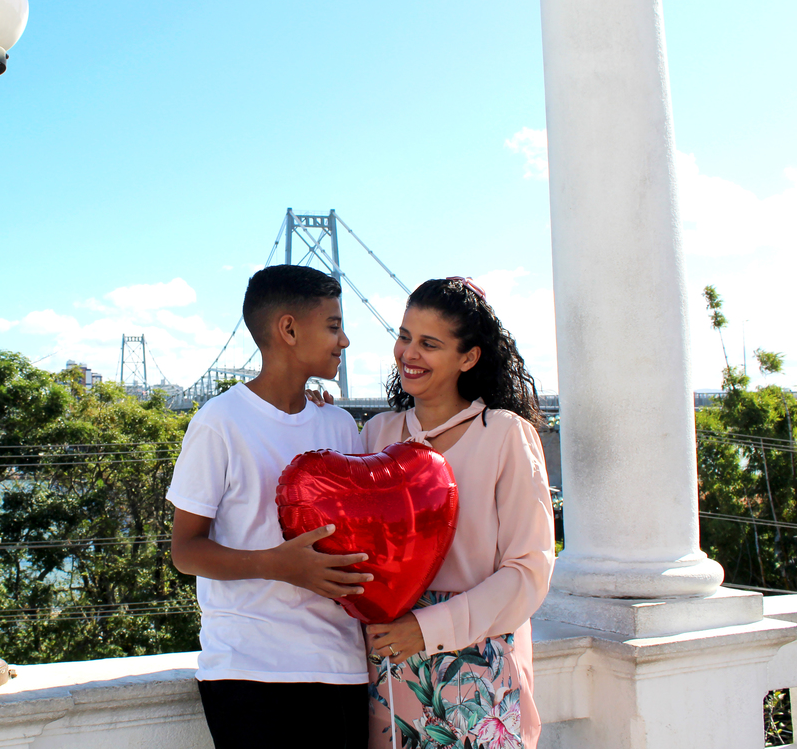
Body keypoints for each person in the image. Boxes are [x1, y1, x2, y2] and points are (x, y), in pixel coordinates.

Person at [168, 264, 373, 749]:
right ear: (288, 329)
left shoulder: (340, 426)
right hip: (249, 674)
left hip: (342, 669)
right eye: (333, 326)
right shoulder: (219, 422)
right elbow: (186, 551)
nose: (344, 341)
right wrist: (278, 566)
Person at [362, 277, 554, 749]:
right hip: (390, 666)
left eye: (429, 344)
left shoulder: (505, 434)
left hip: (478, 669)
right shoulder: (375, 434)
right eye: (404, 336)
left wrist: (426, 628)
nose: (408, 353)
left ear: (468, 358)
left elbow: (529, 571)